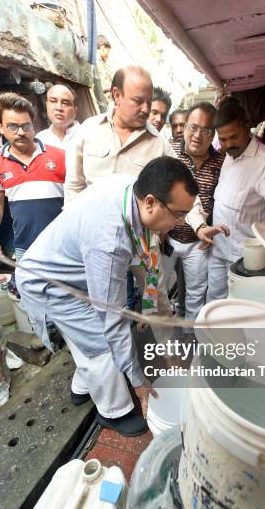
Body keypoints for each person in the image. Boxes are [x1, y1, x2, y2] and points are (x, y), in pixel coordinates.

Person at [16, 158, 199, 436]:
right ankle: (113, 412)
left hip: (74, 271)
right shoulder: (111, 241)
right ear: (151, 202)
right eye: (178, 214)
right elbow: (111, 320)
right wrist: (139, 384)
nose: (181, 222)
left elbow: (154, 286)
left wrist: (169, 352)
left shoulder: (130, 195)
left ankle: (82, 389)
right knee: (101, 342)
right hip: (49, 283)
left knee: (92, 337)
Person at [64, 65, 209, 325]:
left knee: (157, 303)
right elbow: (74, 187)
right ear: (116, 95)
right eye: (137, 101)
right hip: (97, 241)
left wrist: (198, 225)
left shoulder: (158, 144)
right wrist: (73, 232)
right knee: (105, 303)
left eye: (149, 101)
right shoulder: (88, 132)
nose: (145, 109)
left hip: (143, 243)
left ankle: (166, 355)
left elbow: (185, 190)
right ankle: (116, 356)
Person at [206, 102, 265, 302]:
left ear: (246, 127)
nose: (229, 144)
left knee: (241, 309)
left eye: (234, 137)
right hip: (218, 250)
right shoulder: (228, 155)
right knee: (215, 301)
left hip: (245, 258)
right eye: (223, 139)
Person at [162, 103, 228, 322]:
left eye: (207, 130)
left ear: (214, 134)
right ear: (185, 127)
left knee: (196, 294)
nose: (198, 135)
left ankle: (192, 337)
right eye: (193, 127)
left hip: (198, 244)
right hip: (166, 239)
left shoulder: (222, 162)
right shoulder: (168, 152)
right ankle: (164, 339)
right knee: (156, 290)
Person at [0, 93, 65, 262]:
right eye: (13, 127)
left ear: (33, 126)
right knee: (29, 288)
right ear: (0, 127)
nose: (21, 132)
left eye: (26, 126)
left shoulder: (60, 156)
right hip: (24, 248)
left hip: (63, 245)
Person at [36, 83, 79, 150]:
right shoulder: (40, 139)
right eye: (53, 101)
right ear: (47, 105)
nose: (58, 108)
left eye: (65, 103)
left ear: (75, 110)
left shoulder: (87, 135)